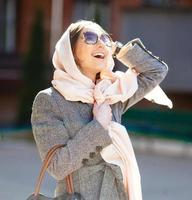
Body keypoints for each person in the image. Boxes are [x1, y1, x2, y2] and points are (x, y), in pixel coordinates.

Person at [31, 20, 171, 200]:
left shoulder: (112, 93)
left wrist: (116, 49)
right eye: (90, 37)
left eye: (105, 38)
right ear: (71, 51)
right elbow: (57, 166)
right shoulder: (49, 100)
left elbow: (156, 71)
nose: (100, 43)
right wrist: (98, 126)